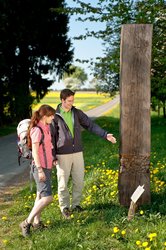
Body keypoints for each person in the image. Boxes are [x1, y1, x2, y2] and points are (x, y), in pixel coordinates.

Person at [51, 89, 116, 219]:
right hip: (62, 154)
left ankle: (76, 205)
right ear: (62, 100)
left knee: (79, 180)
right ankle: (64, 208)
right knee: (63, 183)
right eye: (69, 101)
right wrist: (53, 156)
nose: (71, 103)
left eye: (72, 100)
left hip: (78, 152)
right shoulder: (55, 116)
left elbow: (90, 125)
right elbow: (51, 137)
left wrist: (104, 134)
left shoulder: (76, 113)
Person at [19, 104, 55, 237]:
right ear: (45, 116)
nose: (53, 118)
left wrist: (53, 159)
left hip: (47, 165)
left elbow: (47, 147)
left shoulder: (46, 127)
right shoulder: (36, 130)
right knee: (47, 198)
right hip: (40, 167)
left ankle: (36, 223)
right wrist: (40, 170)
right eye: (51, 115)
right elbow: (35, 151)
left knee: (40, 195)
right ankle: (26, 222)